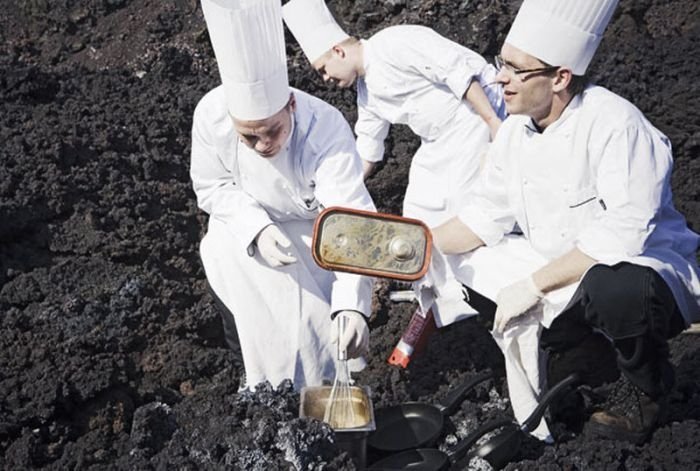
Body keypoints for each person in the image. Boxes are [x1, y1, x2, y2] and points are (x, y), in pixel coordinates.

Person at [428, 0, 700, 444]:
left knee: (618, 287)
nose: (500, 78)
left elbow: (625, 233)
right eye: (502, 64)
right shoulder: (516, 132)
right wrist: (412, 245)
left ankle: (647, 387)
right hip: (562, 269)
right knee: (469, 267)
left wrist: (534, 285)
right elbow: (484, 217)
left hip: (641, 271)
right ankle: (582, 357)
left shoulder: (616, 124)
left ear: (560, 78)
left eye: (517, 70)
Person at [191, 0, 376, 391]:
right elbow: (211, 186)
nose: (261, 145)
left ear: (291, 105)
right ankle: (257, 381)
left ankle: (326, 380)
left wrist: (352, 305)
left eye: (271, 131)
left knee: (323, 331)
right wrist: (255, 227)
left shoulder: (324, 128)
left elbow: (350, 218)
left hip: (317, 237)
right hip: (248, 234)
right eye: (248, 136)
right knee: (222, 254)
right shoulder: (210, 115)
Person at [282, 0, 505, 229]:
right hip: (439, 141)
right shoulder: (366, 92)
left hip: (474, 114)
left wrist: (493, 122)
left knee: (460, 201)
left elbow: (459, 73)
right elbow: (368, 150)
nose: (326, 79)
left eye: (323, 70)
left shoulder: (393, 43)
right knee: (419, 208)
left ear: (338, 51)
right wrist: (338, 191)